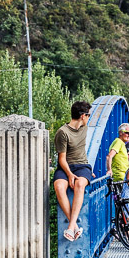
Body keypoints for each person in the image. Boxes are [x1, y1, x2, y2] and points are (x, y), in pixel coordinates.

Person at [53, 101, 93, 242]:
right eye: (88, 115)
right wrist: (70, 174)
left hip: (82, 166)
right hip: (66, 166)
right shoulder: (62, 133)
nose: (89, 118)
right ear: (83, 116)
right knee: (59, 186)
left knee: (80, 184)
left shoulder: (85, 127)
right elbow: (61, 159)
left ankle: (70, 227)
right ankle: (75, 226)